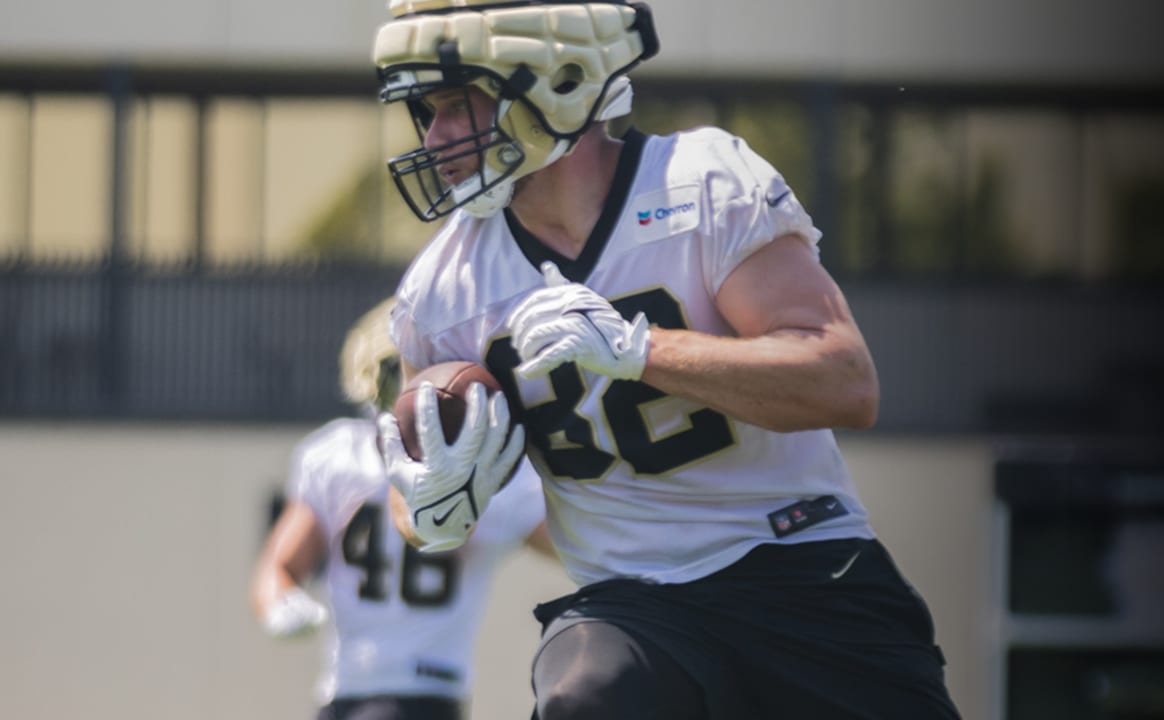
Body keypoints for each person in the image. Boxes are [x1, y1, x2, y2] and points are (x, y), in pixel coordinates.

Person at [370, 1, 963, 718]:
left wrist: (638, 349)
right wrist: (430, 509)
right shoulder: (443, 290)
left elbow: (844, 382)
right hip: (629, 601)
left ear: (557, 80)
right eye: (426, 111)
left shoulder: (700, 181)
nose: (435, 135)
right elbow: (412, 490)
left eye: (458, 103)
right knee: (588, 697)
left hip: (800, 563)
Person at [251, 297, 554, 720]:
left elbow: (579, 548)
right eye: (407, 372)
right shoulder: (337, 457)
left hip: (416, 695)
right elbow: (279, 566)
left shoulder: (491, 475)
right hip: (348, 690)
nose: (421, 393)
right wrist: (280, 601)